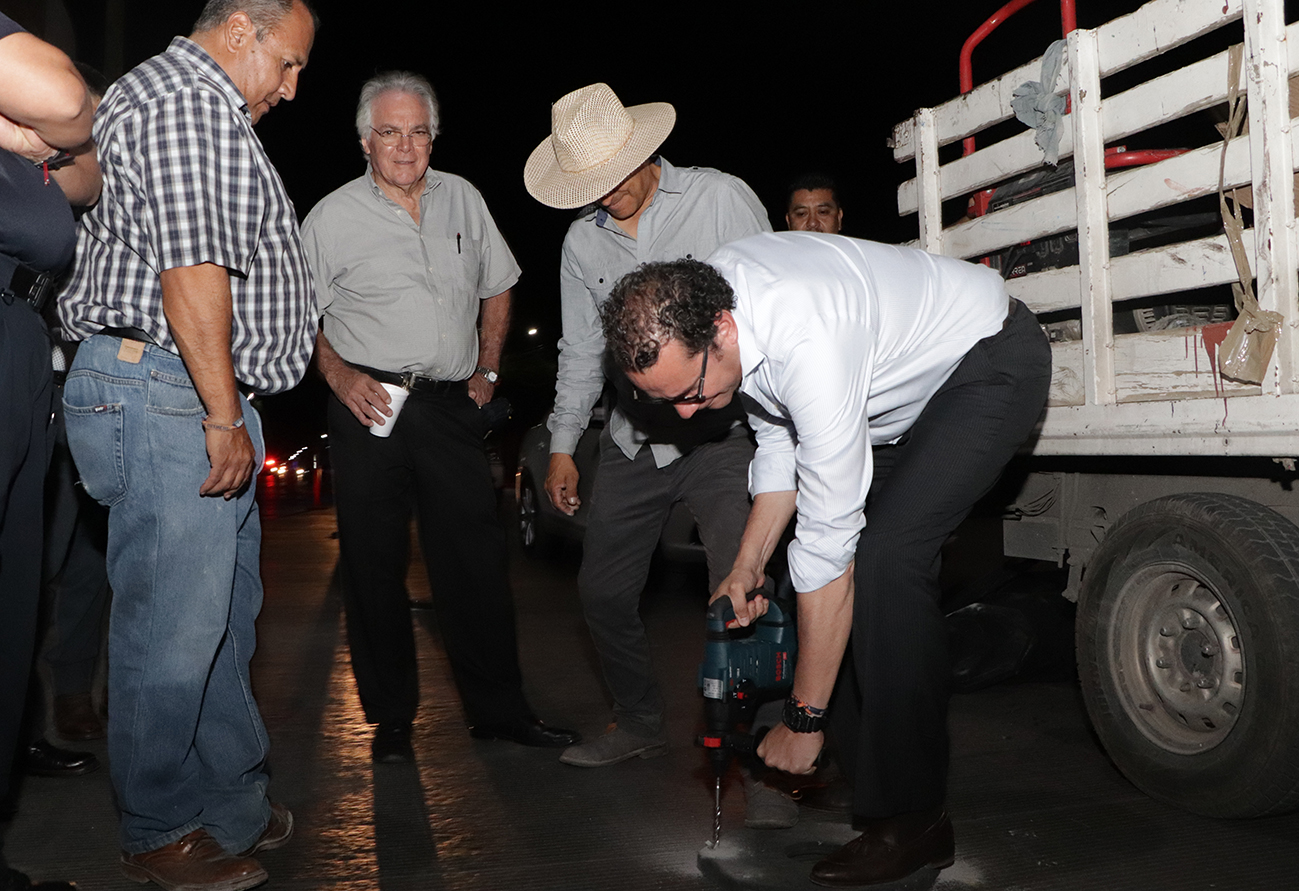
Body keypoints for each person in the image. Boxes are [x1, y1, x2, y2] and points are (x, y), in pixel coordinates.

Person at [601, 232, 1052, 887]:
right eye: (666, 401)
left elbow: (829, 547)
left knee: (884, 564)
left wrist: (801, 715)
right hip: (888, 401)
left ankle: (914, 817)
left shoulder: (805, 336)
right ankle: (860, 765)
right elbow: (780, 443)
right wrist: (744, 563)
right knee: (803, 577)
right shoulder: (715, 308)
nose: (687, 412)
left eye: (691, 392)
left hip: (983, 361)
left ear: (722, 329)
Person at [57, 2, 319, 889]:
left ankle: (231, 801)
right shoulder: (185, 100)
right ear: (240, 30)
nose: (291, 87)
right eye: (285, 64)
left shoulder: (209, 107)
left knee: (220, 620)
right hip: (167, 385)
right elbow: (191, 268)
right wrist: (220, 413)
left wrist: (229, 402)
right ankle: (160, 824)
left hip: (192, 387)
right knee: (171, 626)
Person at [302, 71, 578, 765]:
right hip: (369, 409)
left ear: (433, 136)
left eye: (418, 130)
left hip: (452, 406)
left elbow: (500, 282)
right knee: (373, 565)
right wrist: (338, 375)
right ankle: (391, 718)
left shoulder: (463, 197)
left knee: (476, 565)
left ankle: (499, 710)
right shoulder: (331, 216)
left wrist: (487, 369)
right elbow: (297, 314)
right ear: (365, 140)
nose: (405, 145)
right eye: (390, 131)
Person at [523, 83, 773, 769]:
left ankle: (762, 737)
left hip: (725, 434)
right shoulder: (582, 242)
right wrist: (565, 446)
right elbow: (579, 349)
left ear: (644, 149)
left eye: (614, 175)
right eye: (590, 184)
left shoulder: (719, 198)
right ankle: (636, 719)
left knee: (742, 588)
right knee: (600, 590)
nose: (606, 194)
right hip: (635, 442)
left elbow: (777, 304)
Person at [0, 12, 94, 891]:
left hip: (26, 335)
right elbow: (68, 100)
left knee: (15, 599)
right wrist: (30, 127)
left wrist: (33, 138)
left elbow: (82, 169)